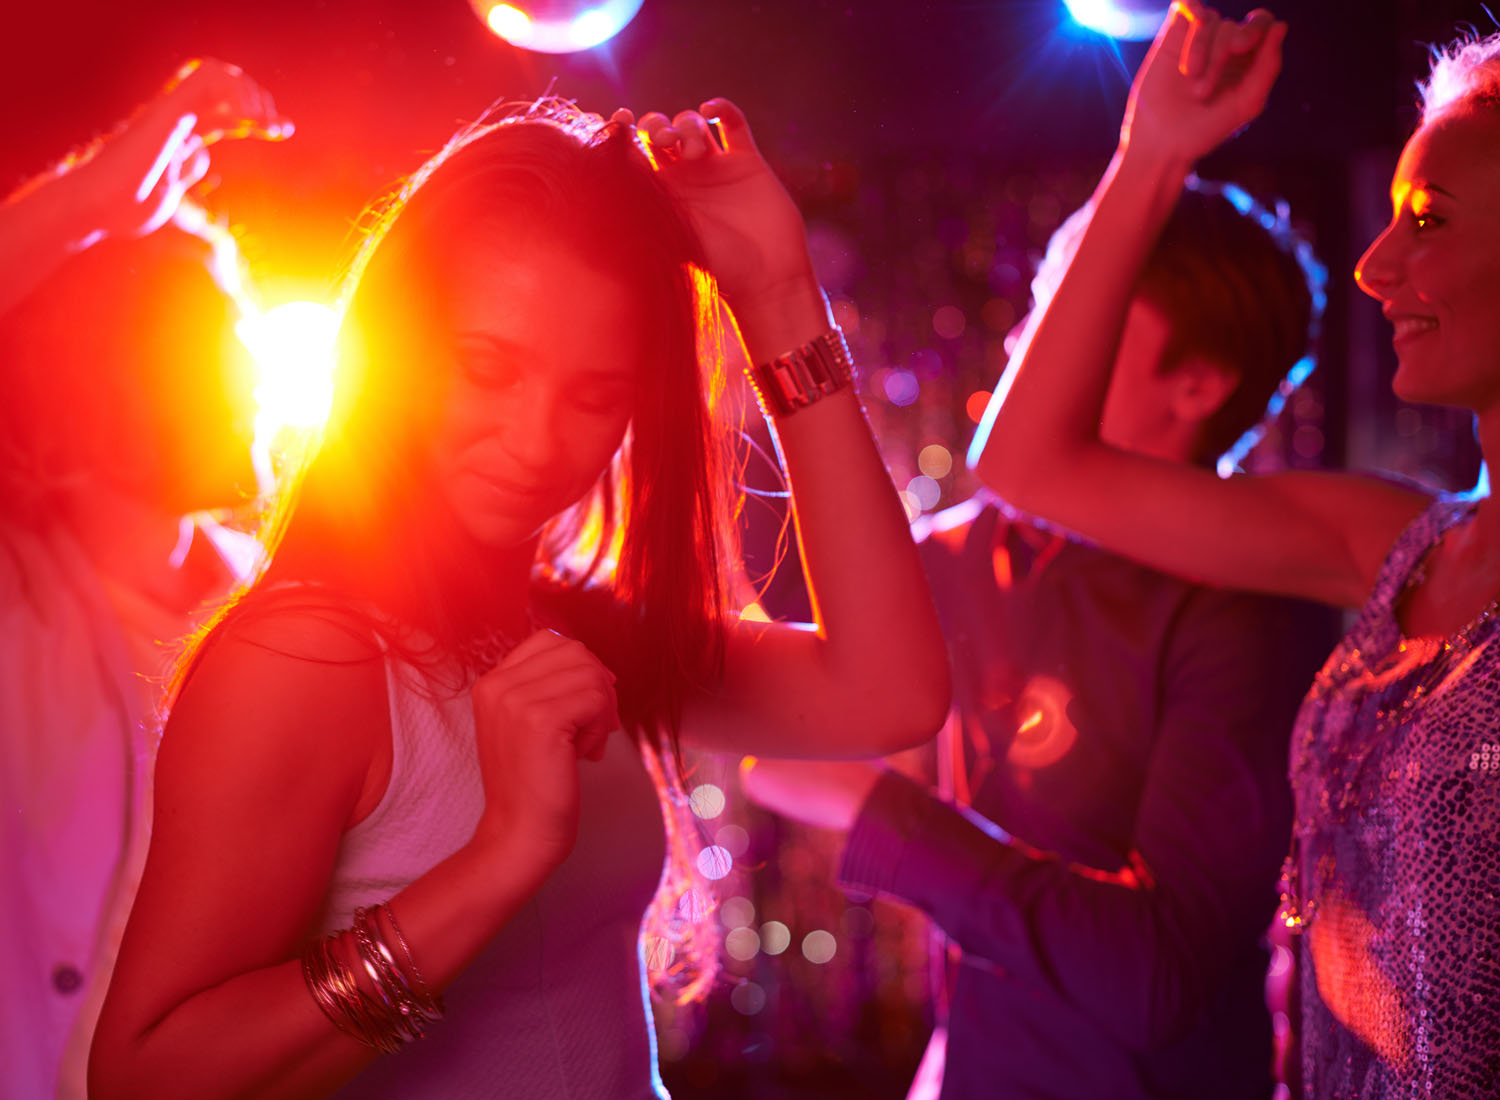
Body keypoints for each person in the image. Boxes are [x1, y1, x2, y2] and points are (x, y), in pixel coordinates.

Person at [87, 95, 951, 1099]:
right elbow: (143, 1079)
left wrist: (780, 298)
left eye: (595, 395)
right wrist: (499, 857)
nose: (539, 443)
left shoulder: (573, 628)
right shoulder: (303, 661)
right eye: (488, 369)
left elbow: (888, 694)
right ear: (396, 353)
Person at [966, 2, 1500, 1095]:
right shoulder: (1402, 544)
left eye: (1430, 220)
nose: (1374, 264)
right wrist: (1152, 151)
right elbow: (1023, 461)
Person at [743, 173, 1333, 1098]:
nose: (1029, 345)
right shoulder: (962, 553)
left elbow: (1156, 975)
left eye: (1078, 316)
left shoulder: (1250, 608)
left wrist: (881, 817)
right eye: (1042, 307)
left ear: (1198, 384)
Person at [0, 61, 290, 1100]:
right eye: (210, 335)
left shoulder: (281, 608)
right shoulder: (18, 600)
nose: (250, 370)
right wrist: (91, 201)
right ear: (97, 379)